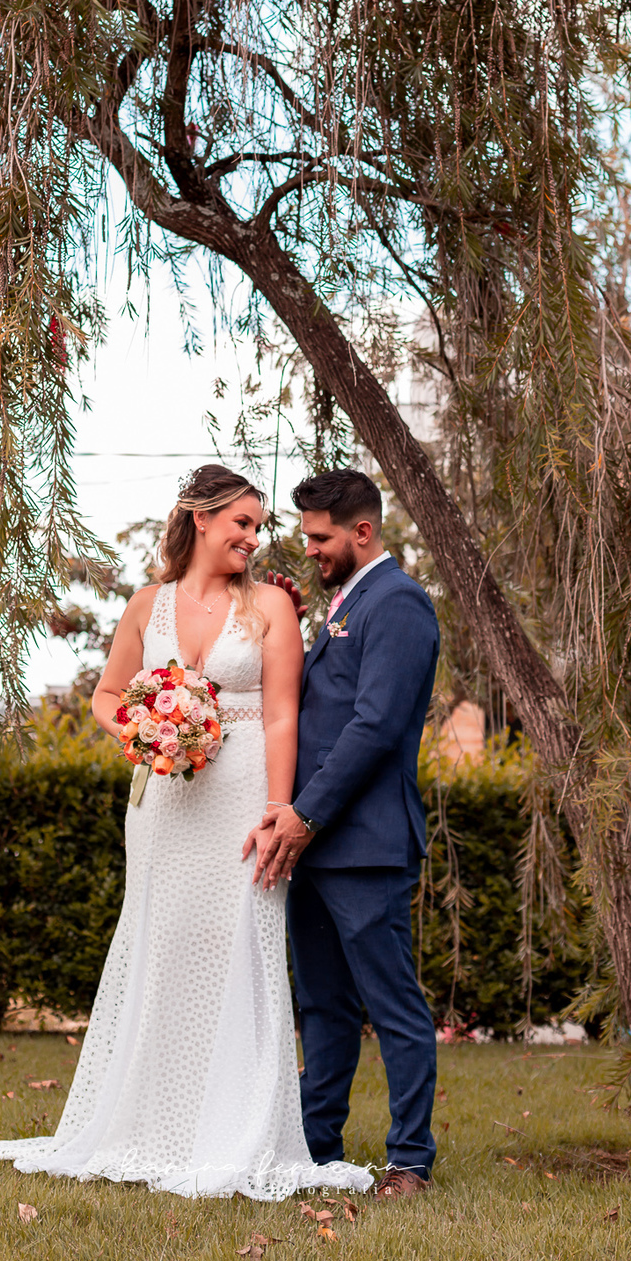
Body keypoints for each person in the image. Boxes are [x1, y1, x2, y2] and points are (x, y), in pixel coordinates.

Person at [0, 464, 371, 1202]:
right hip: (162, 805)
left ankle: (237, 1127)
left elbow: (285, 713)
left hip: (245, 799)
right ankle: (154, 1125)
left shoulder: (271, 609)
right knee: (164, 945)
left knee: (242, 951)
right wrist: (144, 733)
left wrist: (278, 813)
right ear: (200, 519)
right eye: (242, 524)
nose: (254, 540)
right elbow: (106, 695)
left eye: (259, 527)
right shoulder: (147, 605)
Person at [245, 468, 441, 1201]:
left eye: (320, 537)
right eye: (306, 536)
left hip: (365, 847)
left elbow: (375, 725)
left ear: (363, 532)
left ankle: (410, 1161)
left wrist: (305, 812)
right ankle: (314, 1145)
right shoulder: (346, 603)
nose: (310, 548)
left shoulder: (400, 604)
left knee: (392, 1007)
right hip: (318, 850)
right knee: (322, 1007)